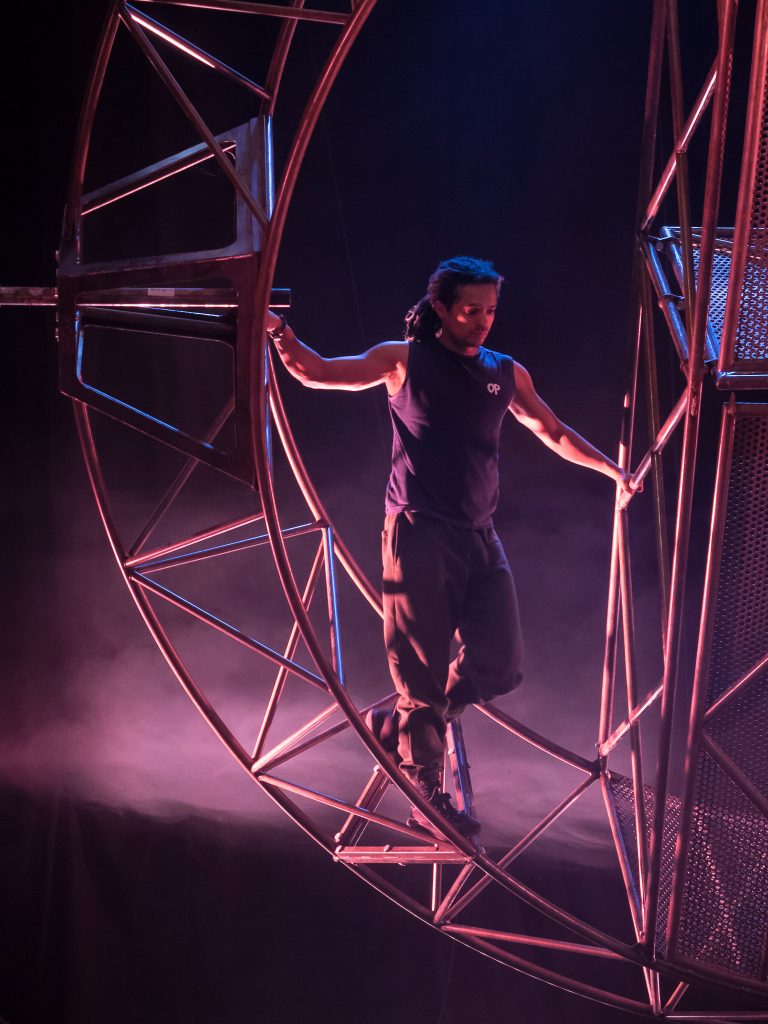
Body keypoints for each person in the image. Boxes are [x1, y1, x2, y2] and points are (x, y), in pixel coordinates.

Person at [266, 256, 634, 840]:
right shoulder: (404, 361)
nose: (484, 321)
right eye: (471, 310)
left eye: (491, 310)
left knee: (500, 663)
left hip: (480, 538)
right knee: (419, 670)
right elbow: (316, 373)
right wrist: (277, 332)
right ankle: (425, 794)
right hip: (418, 532)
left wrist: (612, 471)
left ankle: (402, 725)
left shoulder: (506, 372)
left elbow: (553, 431)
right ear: (440, 307)